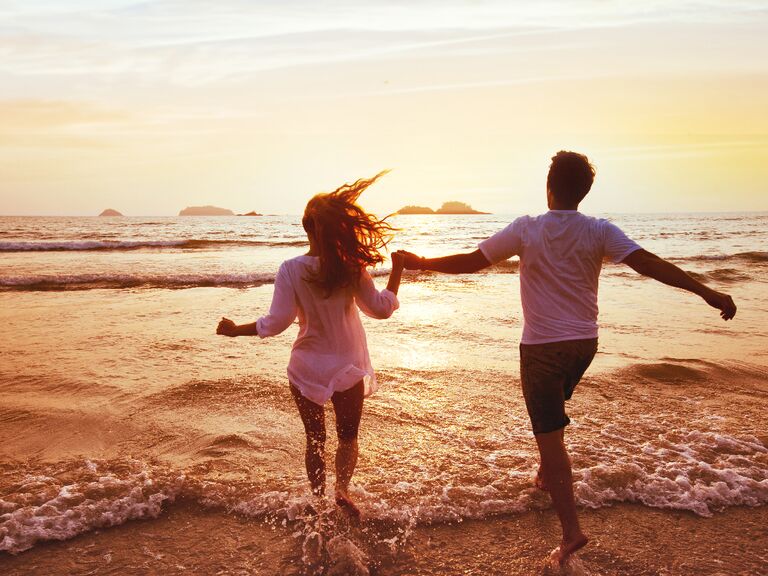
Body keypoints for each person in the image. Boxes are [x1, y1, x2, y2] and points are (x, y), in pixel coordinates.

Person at [397, 151, 736, 565]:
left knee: (551, 436)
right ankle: (545, 474)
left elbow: (473, 261)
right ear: (584, 191)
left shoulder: (527, 228)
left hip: (541, 350)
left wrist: (422, 263)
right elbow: (647, 264)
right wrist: (707, 291)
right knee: (551, 419)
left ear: (549, 186)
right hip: (584, 347)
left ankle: (572, 531)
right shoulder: (599, 230)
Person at [217, 172, 404, 518]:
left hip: (306, 367)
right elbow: (380, 310)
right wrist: (398, 271)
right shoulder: (350, 266)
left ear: (306, 226)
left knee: (315, 439)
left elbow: (276, 324)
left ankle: (318, 504)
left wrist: (234, 330)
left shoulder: (290, 269)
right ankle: (342, 490)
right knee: (347, 437)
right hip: (347, 367)